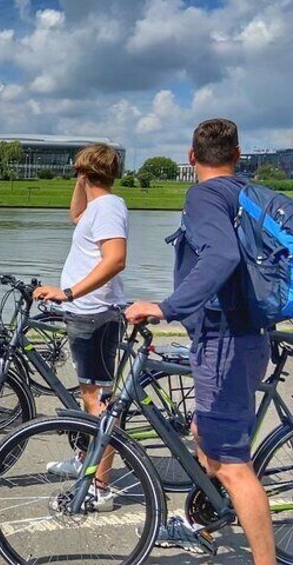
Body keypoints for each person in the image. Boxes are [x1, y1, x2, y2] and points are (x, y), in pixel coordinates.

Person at [126, 118, 275, 563]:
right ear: (237, 155)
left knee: (232, 466)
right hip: (243, 336)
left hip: (225, 340)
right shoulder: (245, 195)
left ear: (191, 158)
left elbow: (224, 256)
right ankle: (204, 525)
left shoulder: (205, 195)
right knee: (204, 437)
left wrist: (165, 307)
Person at [33, 143, 128, 511]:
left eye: (79, 173)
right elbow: (76, 214)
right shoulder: (97, 207)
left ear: (87, 174)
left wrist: (69, 292)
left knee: (98, 402)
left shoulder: (109, 208)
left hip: (95, 314)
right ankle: (83, 460)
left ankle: (100, 486)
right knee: (88, 394)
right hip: (84, 314)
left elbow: (116, 259)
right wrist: (81, 177)